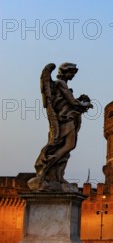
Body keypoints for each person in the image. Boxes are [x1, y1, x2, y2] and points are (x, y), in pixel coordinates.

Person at [28, 63, 93, 192]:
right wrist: (85, 104)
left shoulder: (62, 85)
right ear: (64, 72)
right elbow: (72, 102)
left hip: (67, 120)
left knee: (66, 148)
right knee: (68, 146)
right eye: (71, 73)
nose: (73, 76)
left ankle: (57, 176)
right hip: (65, 120)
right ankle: (45, 170)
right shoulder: (60, 84)